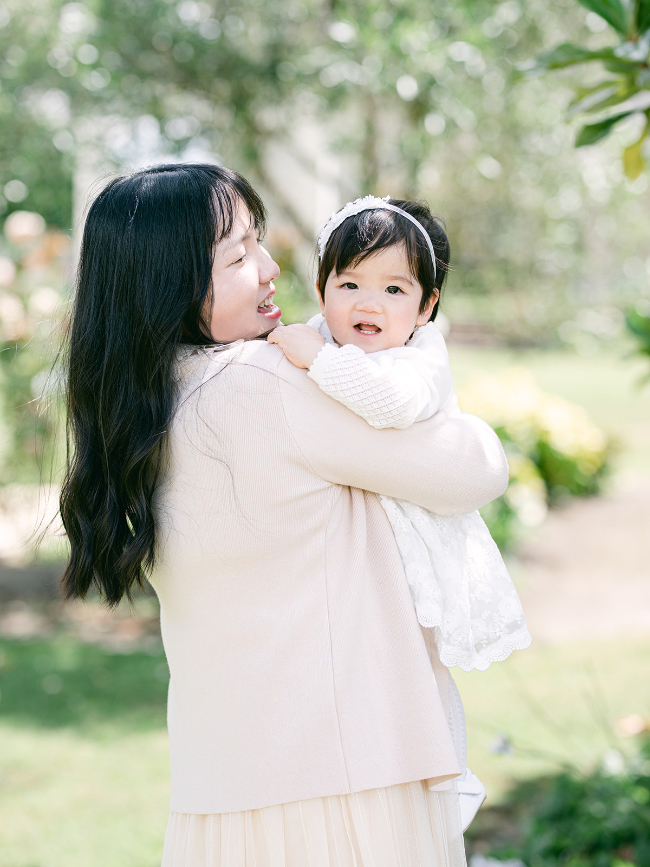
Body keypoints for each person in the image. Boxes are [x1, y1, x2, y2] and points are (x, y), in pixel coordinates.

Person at [60, 164, 509, 867]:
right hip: (342, 779)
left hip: (223, 787)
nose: (270, 268)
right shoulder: (262, 384)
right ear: (167, 283)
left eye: (259, 243)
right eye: (238, 255)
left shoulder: (142, 416)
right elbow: (470, 469)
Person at [269, 195, 531, 675]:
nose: (368, 303)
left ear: (426, 307)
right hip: (347, 541)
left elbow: (394, 404)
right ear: (321, 292)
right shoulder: (321, 335)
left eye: (394, 290)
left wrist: (320, 362)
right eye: (349, 283)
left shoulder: (420, 359)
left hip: (420, 531)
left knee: (401, 657)